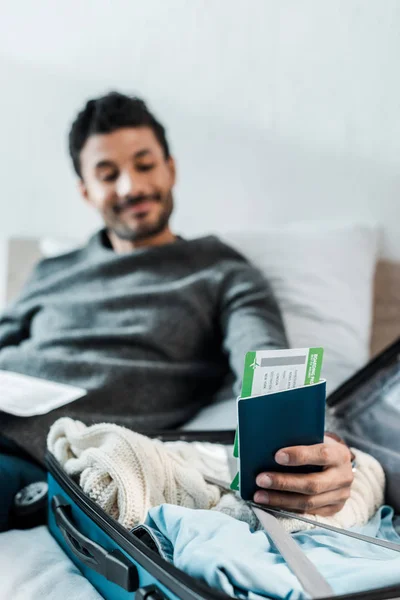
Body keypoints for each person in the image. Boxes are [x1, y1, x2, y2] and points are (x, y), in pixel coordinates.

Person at [0, 92, 354, 531]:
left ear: (171, 167)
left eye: (145, 165)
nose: (131, 187)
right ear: (86, 191)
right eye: (108, 174)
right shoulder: (51, 271)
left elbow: (266, 367)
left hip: (41, 452)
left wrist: (324, 448)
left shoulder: (221, 273)